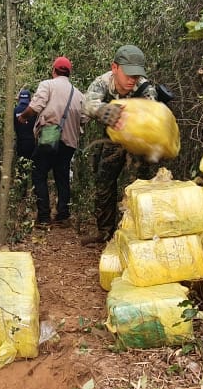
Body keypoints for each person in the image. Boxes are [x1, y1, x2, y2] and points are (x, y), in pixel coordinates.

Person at [81, 44, 158, 244]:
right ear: (114, 68)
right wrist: (104, 111)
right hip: (112, 139)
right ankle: (105, 232)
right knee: (103, 183)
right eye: (128, 75)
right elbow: (88, 103)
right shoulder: (103, 83)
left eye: (136, 75)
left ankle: (132, 233)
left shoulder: (145, 88)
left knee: (136, 186)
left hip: (137, 143)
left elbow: (153, 113)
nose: (132, 80)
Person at [17, 56, 84, 225]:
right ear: (69, 73)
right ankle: (63, 215)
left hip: (48, 138)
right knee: (62, 176)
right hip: (69, 142)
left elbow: (36, 106)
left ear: (53, 70)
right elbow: (84, 118)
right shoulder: (78, 94)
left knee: (39, 174)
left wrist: (23, 117)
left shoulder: (47, 85)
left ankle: (44, 216)